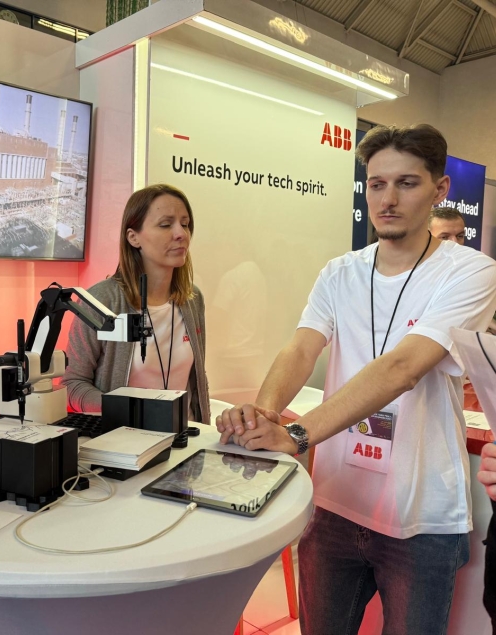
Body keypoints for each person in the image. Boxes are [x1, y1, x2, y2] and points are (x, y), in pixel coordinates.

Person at [216, 123, 496, 634]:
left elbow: (403, 368)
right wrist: (265, 413)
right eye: (377, 184)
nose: (387, 199)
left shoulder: (470, 272)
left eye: (406, 183)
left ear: (439, 189)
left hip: (422, 517)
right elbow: (302, 347)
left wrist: (296, 434)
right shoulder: (340, 271)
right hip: (335, 505)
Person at [62, 183, 210, 424]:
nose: (181, 234)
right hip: (122, 439)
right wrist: (131, 411)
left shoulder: (193, 299)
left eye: (185, 224)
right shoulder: (101, 301)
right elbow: (73, 384)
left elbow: (198, 380)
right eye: (166, 224)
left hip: (185, 437)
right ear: (133, 237)